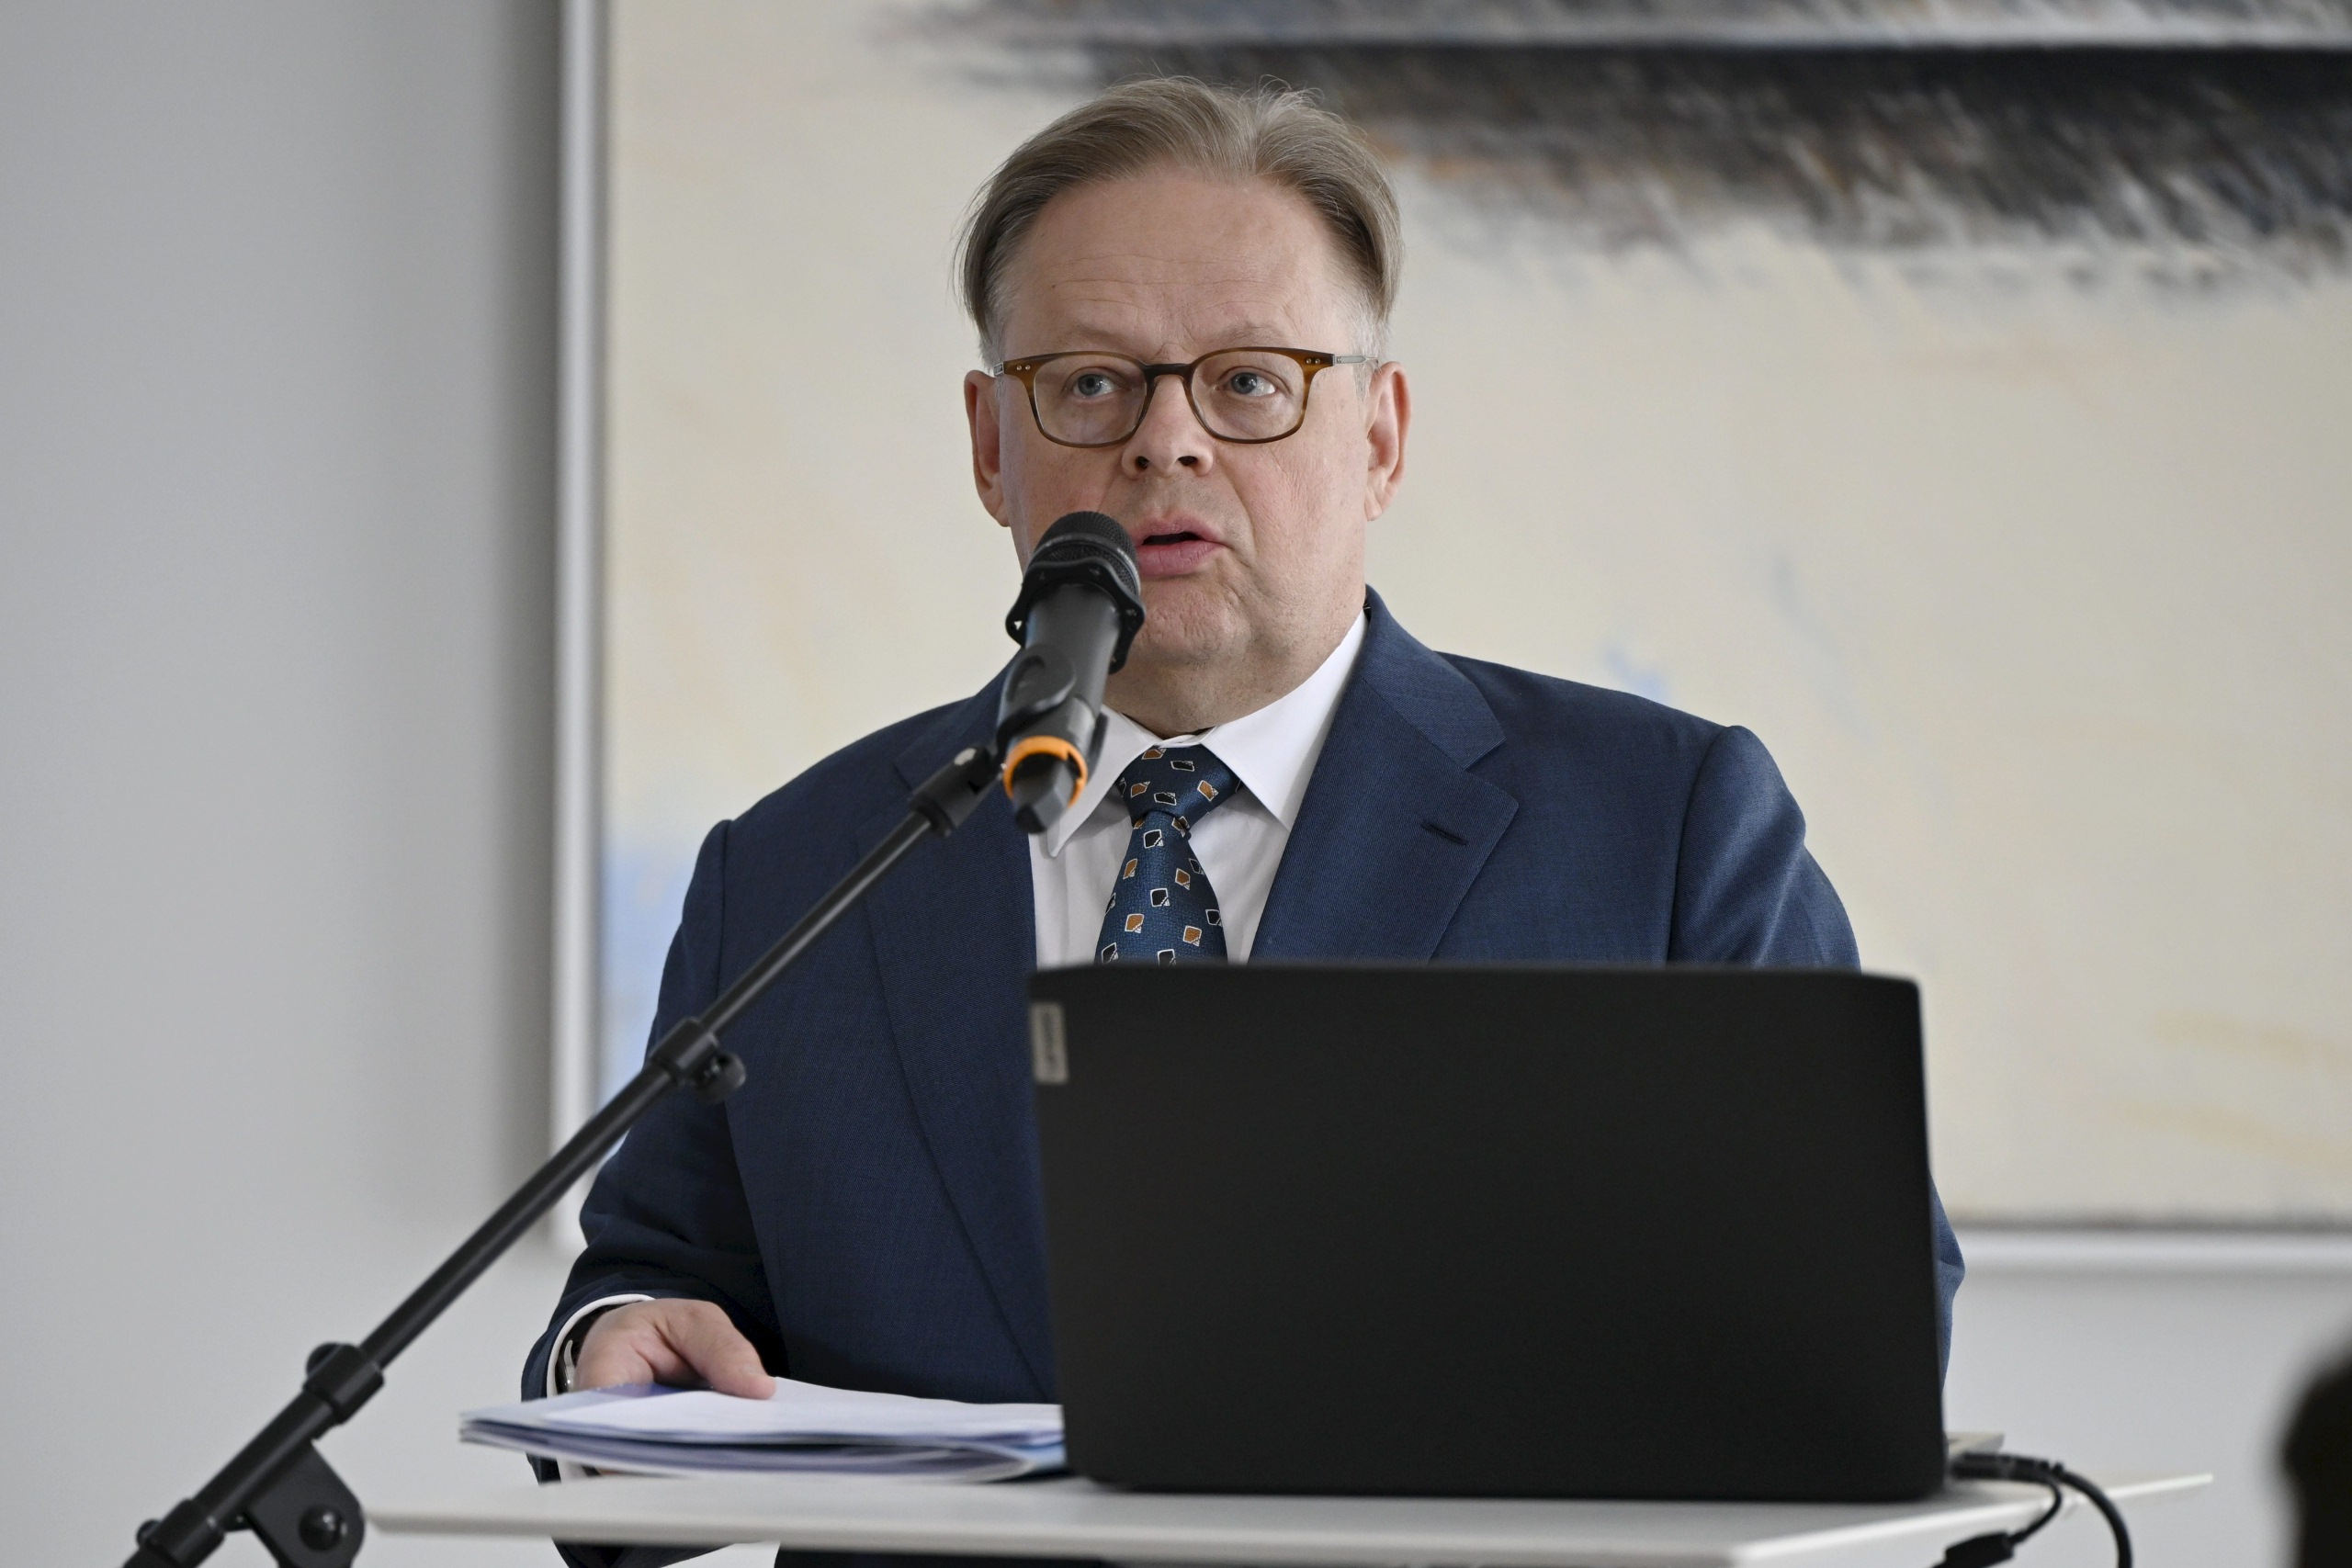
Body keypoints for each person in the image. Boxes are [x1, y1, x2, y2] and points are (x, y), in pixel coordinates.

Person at [527, 74, 1963, 1432]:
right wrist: (615, 1342)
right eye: (1091, 384)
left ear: (1379, 438)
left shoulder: (1665, 834)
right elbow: (652, 1284)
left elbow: (1858, 1315)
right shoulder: (799, 869)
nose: (1168, 442)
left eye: (1252, 382)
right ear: (990, 445)